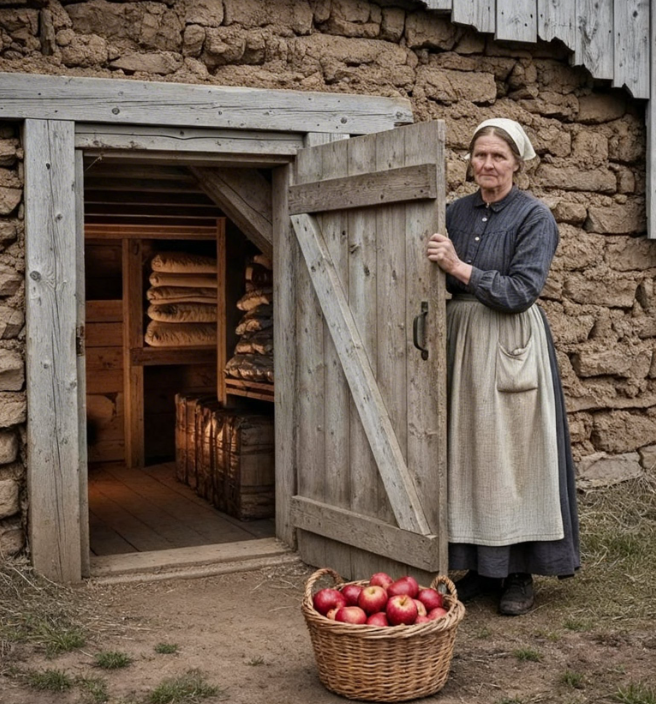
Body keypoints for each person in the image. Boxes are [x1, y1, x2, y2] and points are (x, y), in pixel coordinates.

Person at [426, 118, 580, 616]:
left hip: (510, 341)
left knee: (512, 457)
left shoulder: (535, 217)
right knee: (471, 452)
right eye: (479, 155)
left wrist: (459, 269)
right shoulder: (454, 212)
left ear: (517, 162)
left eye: (497, 156)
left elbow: (520, 291)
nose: (487, 164)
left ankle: (518, 573)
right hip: (464, 344)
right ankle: (477, 568)